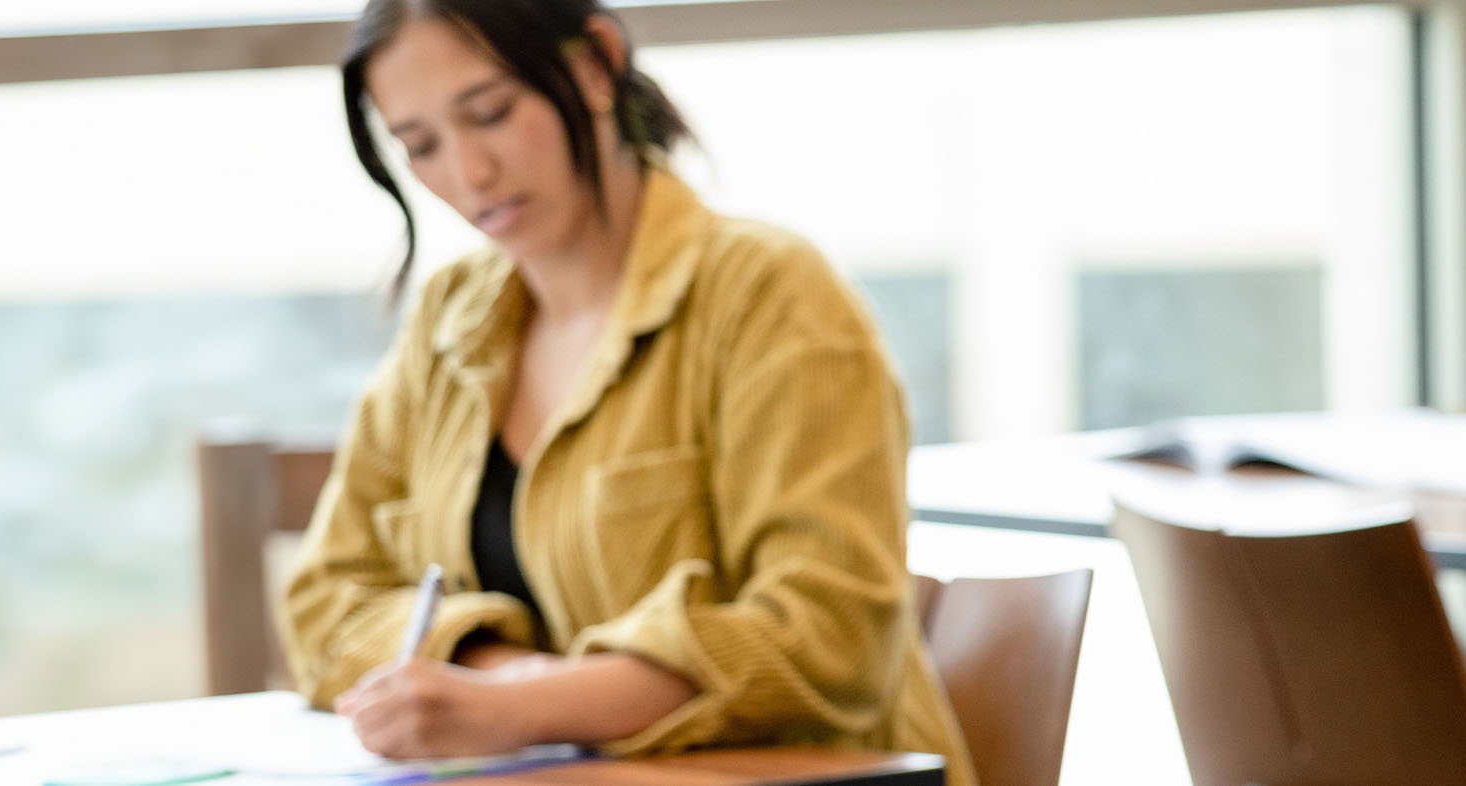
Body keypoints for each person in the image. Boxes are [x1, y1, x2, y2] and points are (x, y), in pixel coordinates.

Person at [278, 1, 972, 780]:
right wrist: (490, 670)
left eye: (492, 113)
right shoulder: (450, 319)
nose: (470, 174)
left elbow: (828, 634)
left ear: (595, 63)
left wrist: (520, 706)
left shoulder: (770, 295)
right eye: (422, 145)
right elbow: (324, 601)